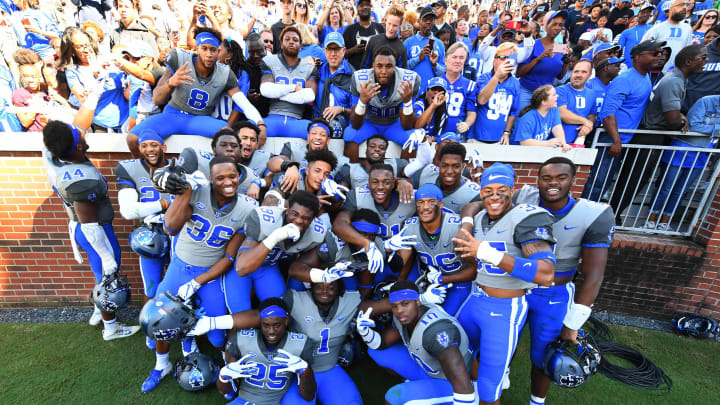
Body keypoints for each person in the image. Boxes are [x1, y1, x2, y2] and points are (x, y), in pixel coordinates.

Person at [142, 155, 258, 392]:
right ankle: (161, 365)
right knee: (160, 321)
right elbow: (170, 227)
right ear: (211, 180)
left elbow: (228, 257)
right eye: (220, 178)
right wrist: (184, 193)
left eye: (233, 176)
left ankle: (229, 368)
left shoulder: (247, 208)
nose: (228, 181)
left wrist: (198, 282)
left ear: (239, 177)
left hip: (211, 274)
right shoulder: (196, 190)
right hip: (180, 266)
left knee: (217, 337)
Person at [512, 157, 615, 405]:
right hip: (515, 288)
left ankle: (537, 401)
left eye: (561, 177)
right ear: (537, 181)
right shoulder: (521, 198)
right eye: (546, 178)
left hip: (553, 293)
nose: (553, 183)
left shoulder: (592, 214)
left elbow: (594, 275)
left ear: (573, 179)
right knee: (498, 349)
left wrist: (574, 323)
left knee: (545, 355)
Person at [453, 163, 556, 404]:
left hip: (504, 308)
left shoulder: (526, 217)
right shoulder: (480, 218)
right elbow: (473, 214)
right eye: (488, 190)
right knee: (457, 357)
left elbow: (546, 273)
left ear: (512, 190)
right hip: (474, 299)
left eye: (502, 189)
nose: (494, 196)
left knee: (490, 386)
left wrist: (490, 254)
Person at [41, 115, 139, 341]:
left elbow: (73, 128)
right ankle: (111, 327)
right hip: (95, 232)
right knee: (108, 280)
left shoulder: (55, 153)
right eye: (80, 136)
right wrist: (107, 256)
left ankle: (97, 312)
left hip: (81, 227)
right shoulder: (81, 180)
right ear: (77, 145)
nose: (83, 134)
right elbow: (90, 225)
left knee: (100, 276)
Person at [128, 28, 263, 157]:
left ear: (218, 51)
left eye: (213, 50)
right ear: (197, 49)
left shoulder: (225, 73)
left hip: (199, 118)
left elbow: (242, 102)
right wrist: (170, 83)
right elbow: (157, 99)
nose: (209, 54)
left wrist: (260, 123)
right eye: (204, 49)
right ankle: (143, 171)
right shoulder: (180, 59)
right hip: (173, 115)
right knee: (132, 139)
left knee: (227, 135)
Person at [358, 280, 476, 404]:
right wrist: (365, 332)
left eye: (405, 303)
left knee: (394, 398)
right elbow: (380, 343)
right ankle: (419, 386)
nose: (399, 311)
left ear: (419, 301)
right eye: (394, 306)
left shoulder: (436, 331)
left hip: (452, 382)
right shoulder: (405, 318)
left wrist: (465, 399)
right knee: (376, 352)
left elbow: (463, 384)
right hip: (431, 370)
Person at [581, 39, 663, 202]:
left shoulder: (645, 76)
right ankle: (583, 214)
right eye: (654, 53)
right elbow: (608, 113)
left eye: (660, 53)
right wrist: (616, 140)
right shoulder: (625, 79)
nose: (659, 56)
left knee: (603, 182)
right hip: (610, 139)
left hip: (621, 139)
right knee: (597, 181)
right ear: (638, 57)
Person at [114, 129, 172, 348]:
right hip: (150, 236)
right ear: (139, 148)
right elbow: (128, 211)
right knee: (151, 286)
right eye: (145, 145)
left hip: (177, 234)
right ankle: (151, 327)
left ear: (163, 147)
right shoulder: (130, 168)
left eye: (154, 145)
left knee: (179, 285)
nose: (150, 150)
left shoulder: (177, 167)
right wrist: (164, 205)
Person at [228, 190, 329, 312]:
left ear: (313, 219)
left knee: (279, 312)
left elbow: (298, 267)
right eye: (294, 214)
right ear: (287, 209)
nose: (298, 221)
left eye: (305, 218)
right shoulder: (265, 221)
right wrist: (275, 236)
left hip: (268, 268)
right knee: (240, 312)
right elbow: (242, 268)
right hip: (243, 265)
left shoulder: (316, 234)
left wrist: (322, 276)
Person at [642, 45, 707, 230]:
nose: (706, 62)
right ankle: (647, 220)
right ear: (688, 62)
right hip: (651, 135)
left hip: (655, 134)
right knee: (655, 184)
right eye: (702, 58)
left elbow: (675, 113)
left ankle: (659, 221)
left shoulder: (678, 78)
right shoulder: (674, 80)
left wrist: (681, 116)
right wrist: (680, 120)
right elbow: (672, 119)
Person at [394, 184, 473, 315]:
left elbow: (475, 270)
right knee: (411, 313)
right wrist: (399, 283)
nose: (425, 207)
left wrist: (443, 279)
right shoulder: (410, 227)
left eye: (431, 202)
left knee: (444, 317)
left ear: (441, 205)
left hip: (459, 282)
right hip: (429, 280)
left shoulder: (455, 227)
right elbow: (408, 259)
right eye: (421, 202)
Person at [221, 298, 317, 404]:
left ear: (286, 320)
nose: (271, 332)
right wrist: (223, 377)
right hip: (245, 399)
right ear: (260, 322)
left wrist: (305, 371)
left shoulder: (301, 344)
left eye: (277, 325)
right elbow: (226, 391)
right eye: (266, 325)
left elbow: (309, 396)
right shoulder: (241, 339)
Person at [344, 46, 420, 162]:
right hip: (369, 123)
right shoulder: (360, 79)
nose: (384, 71)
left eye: (389, 66)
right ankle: (352, 175)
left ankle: (404, 176)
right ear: (373, 66)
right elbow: (355, 124)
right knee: (350, 135)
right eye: (379, 66)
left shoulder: (409, 80)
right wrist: (362, 102)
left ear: (395, 67)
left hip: (394, 124)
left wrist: (407, 102)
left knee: (413, 140)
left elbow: (407, 126)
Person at [260, 26, 319, 139]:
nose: (291, 41)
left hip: (296, 121)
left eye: (295, 40)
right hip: (273, 118)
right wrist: (293, 87)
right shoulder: (270, 61)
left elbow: (309, 95)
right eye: (287, 39)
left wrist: (278, 94)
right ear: (281, 44)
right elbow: (266, 89)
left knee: (318, 133)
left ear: (301, 46)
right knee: (248, 129)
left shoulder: (309, 67)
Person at [516, 10, 571, 108]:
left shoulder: (561, 48)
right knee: (521, 122)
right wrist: (539, 58)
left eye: (560, 25)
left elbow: (559, 77)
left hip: (546, 95)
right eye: (554, 24)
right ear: (546, 25)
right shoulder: (532, 45)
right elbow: (519, 72)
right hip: (527, 92)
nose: (557, 28)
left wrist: (566, 60)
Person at [411, 143, 483, 215]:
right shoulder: (426, 174)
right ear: (439, 165)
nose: (449, 171)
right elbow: (406, 184)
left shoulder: (473, 194)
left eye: (456, 166)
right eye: (444, 166)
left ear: (463, 167)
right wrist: (402, 182)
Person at [470, 42, 521, 144]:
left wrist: (506, 132)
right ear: (494, 60)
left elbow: (513, 112)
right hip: (477, 137)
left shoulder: (515, 83)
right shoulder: (483, 78)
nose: (506, 61)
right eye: (502, 57)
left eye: (510, 58)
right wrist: (497, 77)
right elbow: (481, 100)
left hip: (499, 138)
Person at [334, 134, 408, 189]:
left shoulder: (397, 165)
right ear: (366, 149)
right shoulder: (350, 169)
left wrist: (401, 182)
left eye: (381, 148)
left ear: (385, 151)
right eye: (372, 146)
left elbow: (413, 177)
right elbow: (341, 190)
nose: (377, 149)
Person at [512, 84, 571, 151]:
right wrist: (547, 143)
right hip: (518, 153)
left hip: (536, 151)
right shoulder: (528, 118)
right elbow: (524, 142)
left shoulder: (554, 109)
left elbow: (557, 128)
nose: (557, 96)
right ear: (544, 102)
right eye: (554, 95)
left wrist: (563, 144)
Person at [315, 32, 355, 128]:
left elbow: (357, 111)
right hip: (317, 121)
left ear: (344, 51)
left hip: (342, 123)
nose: (333, 54)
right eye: (329, 49)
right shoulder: (317, 70)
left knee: (335, 126)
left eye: (336, 49)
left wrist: (341, 109)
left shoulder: (352, 75)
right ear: (325, 51)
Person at [642, 0, 693, 72]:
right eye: (680, 5)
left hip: (677, 72)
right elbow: (643, 48)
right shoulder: (657, 28)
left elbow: (687, 51)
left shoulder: (687, 29)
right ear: (671, 9)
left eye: (686, 5)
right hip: (657, 72)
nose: (684, 7)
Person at [404, 6, 446, 94]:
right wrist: (419, 58)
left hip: (431, 94)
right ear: (419, 21)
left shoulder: (439, 44)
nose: (428, 22)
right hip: (412, 92)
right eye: (425, 19)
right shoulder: (408, 42)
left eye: (431, 20)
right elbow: (403, 68)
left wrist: (435, 64)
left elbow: (442, 73)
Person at [556, 59, 596, 145]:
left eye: (584, 72)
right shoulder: (560, 91)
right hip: (556, 144)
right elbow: (563, 114)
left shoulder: (592, 94)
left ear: (590, 75)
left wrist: (588, 127)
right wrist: (586, 122)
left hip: (577, 144)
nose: (578, 75)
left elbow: (592, 115)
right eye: (576, 71)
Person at [442, 42, 477, 141]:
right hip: (436, 135)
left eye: (461, 58)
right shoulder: (436, 82)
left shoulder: (470, 85)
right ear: (446, 60)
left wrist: (467, 123)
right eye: (454, 57)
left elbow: (472, 112)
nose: (458, 61)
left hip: (457, 137)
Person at [684, 26, 720, 111]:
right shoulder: (698, 53)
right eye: (708, 37)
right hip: (692, 105)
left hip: (716, 108)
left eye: (715, 36)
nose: (711, 39)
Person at [361, 4, 408, 69]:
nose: (390, 28)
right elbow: (364, 66)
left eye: (394, 25)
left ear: (400, 25)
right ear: (385, 21)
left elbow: (401, 74)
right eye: (389, 24)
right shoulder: (373, 40)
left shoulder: (402, 48)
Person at [343, 0, 385, 70]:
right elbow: (342, 54)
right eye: (362, 5)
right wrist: (353, 50)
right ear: (357, 8)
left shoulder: (380, 28)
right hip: (356, 73)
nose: (365, 7)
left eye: (367, 5)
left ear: (371, 8)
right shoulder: (350, 30)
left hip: (376, 73)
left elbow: (388, 50)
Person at [616, 5, 654, 69]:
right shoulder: (626, 32)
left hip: (646, 66)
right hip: (628, 66)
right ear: (638, 14)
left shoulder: (653, 29)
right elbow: (618, 50)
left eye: (648, 12)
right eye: (643, 12)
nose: (645, 15)